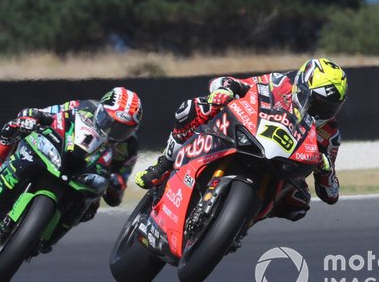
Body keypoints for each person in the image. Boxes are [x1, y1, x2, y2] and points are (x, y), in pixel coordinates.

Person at [135, 58, 348, 224]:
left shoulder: (329, 134)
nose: (323, 111)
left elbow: (331, 194)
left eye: (330, 107)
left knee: (299, 204)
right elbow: (233, 83)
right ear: (302, 87)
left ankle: (240, 222)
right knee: (193, 109)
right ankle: (165, 163)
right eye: (318, 102)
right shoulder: (280, 83)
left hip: (283, 168)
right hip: (249, 135)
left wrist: (326, 171)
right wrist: (224, 91)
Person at [0, 87, 143, 214]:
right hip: (61, 154)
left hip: (85, 180)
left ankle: (53, 229)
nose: (112, 131)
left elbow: (117, 192)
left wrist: (114, 184)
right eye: (109, 122)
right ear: (101, 111)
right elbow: (46, 112)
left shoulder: (129, 147)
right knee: (14, 127)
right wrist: (33, 117)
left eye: (122, 130)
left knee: (90, 210)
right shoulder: (83, 107)